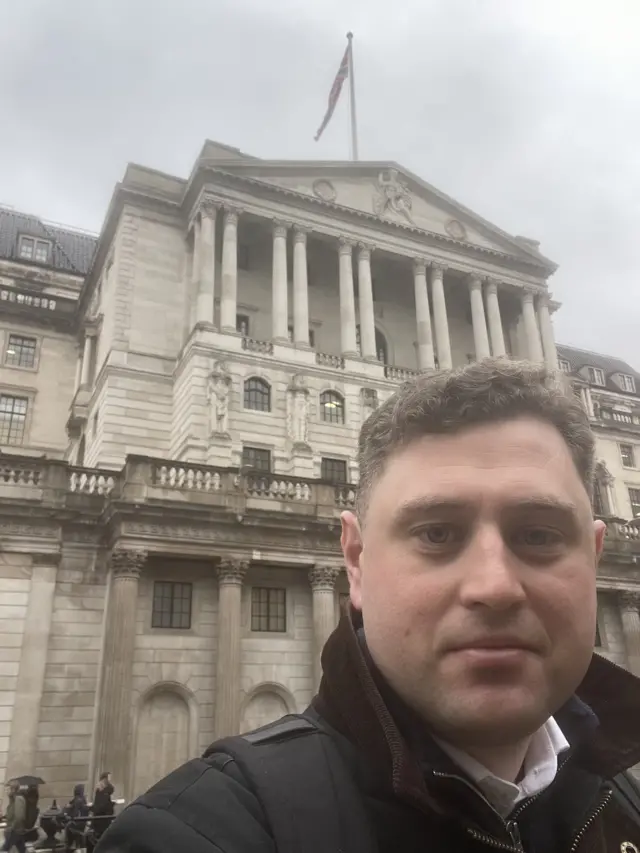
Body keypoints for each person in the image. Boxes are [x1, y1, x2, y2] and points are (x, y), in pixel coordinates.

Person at [97, 359, 640, 853]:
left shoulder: (624, 801)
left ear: (594, 558)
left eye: (540, 535)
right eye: (436, 533)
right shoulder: (192, 834)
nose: (494, 586)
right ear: (355, 560)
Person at [87, 774, 114, 853]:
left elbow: (99, 806)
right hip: (102, 820)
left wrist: (91, 808)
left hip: (101, 820)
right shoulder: (104, 791)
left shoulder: (103, 792)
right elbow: (102, 805)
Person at [62, 784, 88, 852]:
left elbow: (74, 814)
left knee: (68, 827)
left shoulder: (77, 800)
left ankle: (68, 846)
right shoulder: (83, 799)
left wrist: (68, 812)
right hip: (83, 824)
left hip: (77, 824)